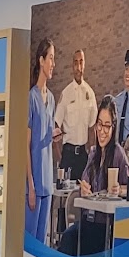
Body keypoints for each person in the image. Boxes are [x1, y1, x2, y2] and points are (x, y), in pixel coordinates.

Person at [56, 99, 129, 257]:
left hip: (105, 226)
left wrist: (119, 190)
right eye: (99, 124)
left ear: (113, 127)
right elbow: (84, 183)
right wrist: (83, 189)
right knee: (68, 238)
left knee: (79, 243)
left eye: (107, 126)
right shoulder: (92, 153)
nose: (102, 131)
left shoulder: (118, 154)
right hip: (88, 220)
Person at [26, 38, 57, 248]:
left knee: (42, 244)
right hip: (34, 184)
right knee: (30, 246)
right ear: (41, 60)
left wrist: (54, 136)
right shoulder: (31, 98)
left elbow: (46, 136)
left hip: (47, 183)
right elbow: (26, 146)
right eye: (51, 58)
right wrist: (30, 185)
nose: (53, 64)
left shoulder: (52, 99)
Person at [54, 48, 97, 191]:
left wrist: (92, 156)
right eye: (75, 63)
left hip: (83, 156)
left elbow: (92, 127)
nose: (78, 67)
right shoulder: (66, 93)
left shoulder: (90, 94)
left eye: (81, 62)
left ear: (84, 64)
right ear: (72, 66)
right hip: (68, 154)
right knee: (64, 196)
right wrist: (60, 157)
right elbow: (56, 125)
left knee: (83, 193)